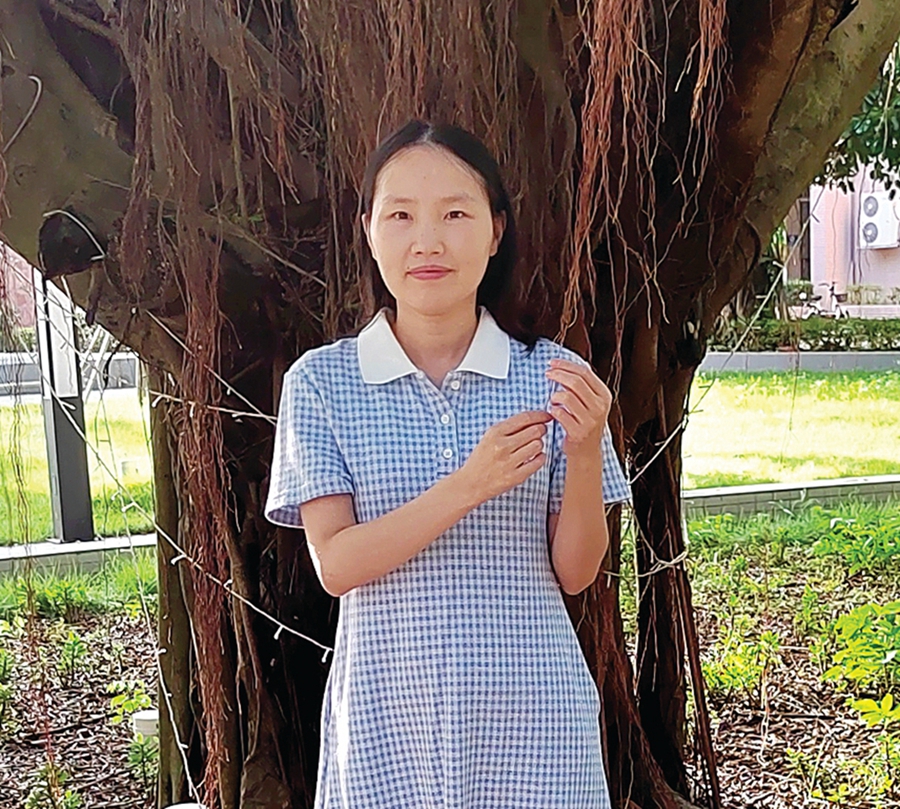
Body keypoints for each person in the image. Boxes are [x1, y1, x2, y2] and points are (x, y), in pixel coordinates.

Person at [265, 120, 631, 808]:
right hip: (386, 723)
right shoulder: (321, 384)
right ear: (368, 230)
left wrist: (584, 453)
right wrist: (469, 485)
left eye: (456, 215)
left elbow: (577, 572)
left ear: (496, 231)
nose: (427, 242)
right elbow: (336, 564)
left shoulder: (553, 377)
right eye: (401, 215)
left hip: (536, 722)